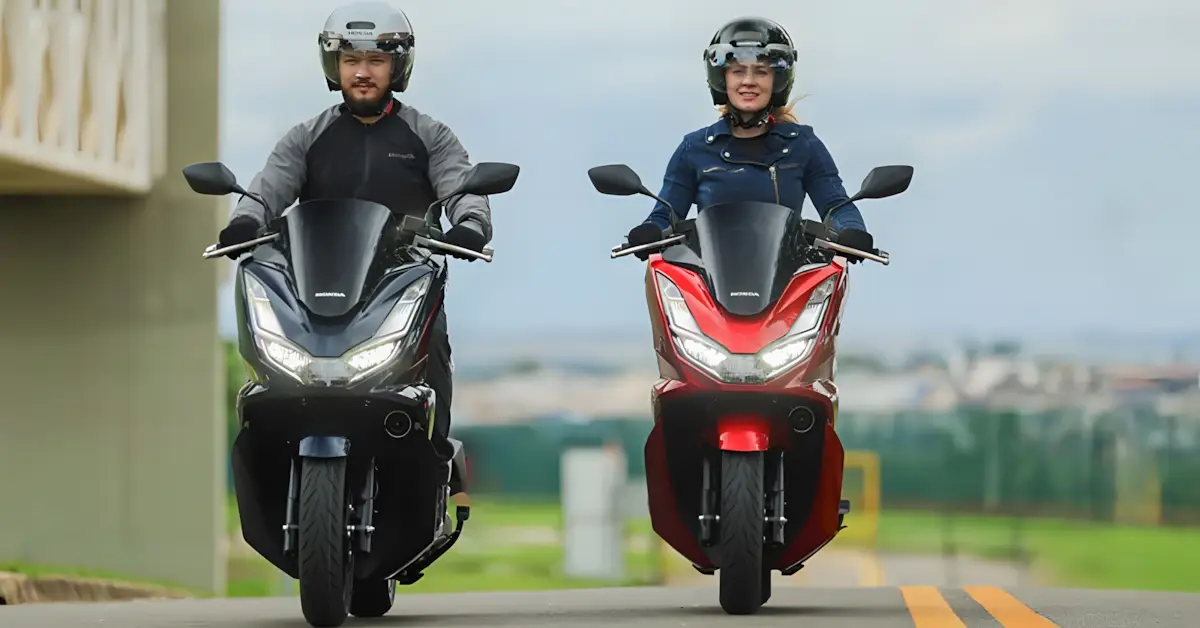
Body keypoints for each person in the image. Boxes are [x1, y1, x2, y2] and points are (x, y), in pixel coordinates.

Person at [215, 1, 488, 445]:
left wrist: (471, 223)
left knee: (432, 345)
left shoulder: (428, 135)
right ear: (334, 66)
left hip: (401, 289)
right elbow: (270, 187)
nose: (363, 72)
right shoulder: (307, 137)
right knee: (265, 386)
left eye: (376, 60)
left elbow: (462, 184)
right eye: (351, 60)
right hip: (317, 294)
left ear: (397, 66)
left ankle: (436, 460)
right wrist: (246, 220)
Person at [624, 16, 874, 260]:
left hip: (786, 282)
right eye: (738, 71)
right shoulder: (694, 148)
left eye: (761, 72)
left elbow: (836, 206)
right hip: (709, 285)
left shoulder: (802, 144)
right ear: (722, 79)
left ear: (778, 80)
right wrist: (650, 231)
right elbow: (666, 213)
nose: (748, 81)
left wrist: (854, 231)